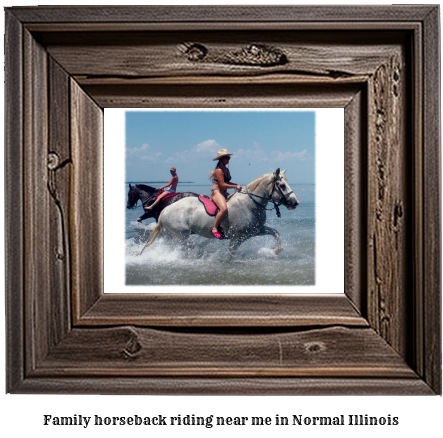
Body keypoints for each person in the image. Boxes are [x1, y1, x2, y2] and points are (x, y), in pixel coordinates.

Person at [209, 149, 242, 239]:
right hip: (217, 192)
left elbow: (227, 182)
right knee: (224, 209)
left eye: (229, 157)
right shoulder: (219, 170)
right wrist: (235, 187)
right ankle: (214, 228)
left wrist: (237, 185)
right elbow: (223, 185)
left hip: (224, 192)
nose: (229, 159)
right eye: (227, 158)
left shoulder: (226, 169)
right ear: (222, 159)